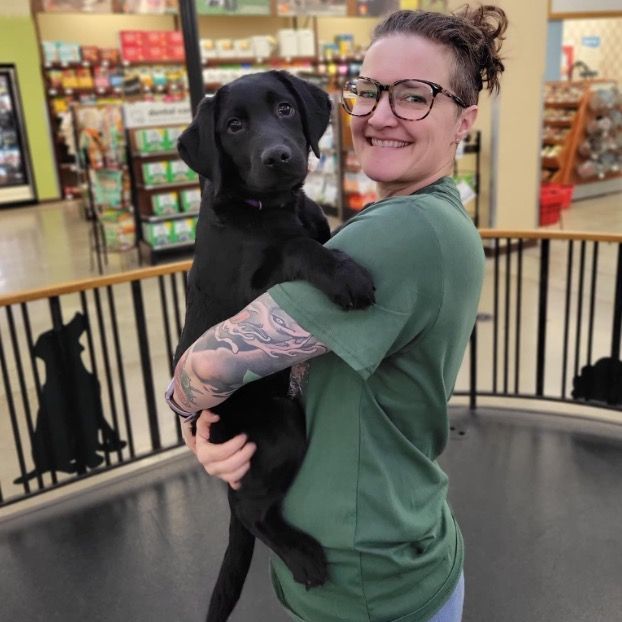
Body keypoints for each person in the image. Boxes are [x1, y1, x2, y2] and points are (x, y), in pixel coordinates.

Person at [169, 5, 507, 621]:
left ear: (465, 120)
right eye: (369, 91)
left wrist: (187, 411)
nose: (380, 114)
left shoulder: (405, 233)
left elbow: (207, 369)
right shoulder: (413, 218)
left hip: (365, 585)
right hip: (394, 546)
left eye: (414, 97)